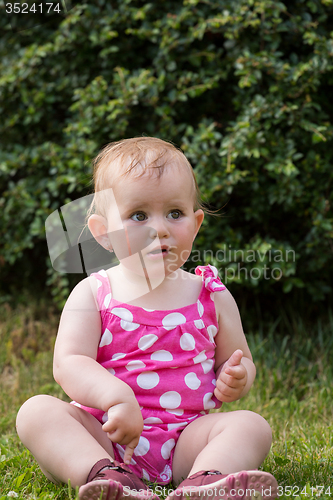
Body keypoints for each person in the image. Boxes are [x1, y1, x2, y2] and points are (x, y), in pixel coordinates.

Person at [16, 137, 278, 500]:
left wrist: (237, 376)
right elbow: (69, 363)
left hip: (188, 437)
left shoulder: (211, 295)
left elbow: (239, 358)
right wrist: (115, 397)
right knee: (37, 412)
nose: (160, 228)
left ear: (196, 222)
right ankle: (105, 477)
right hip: (106, 436)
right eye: (138, 215)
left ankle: (204, 480)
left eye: (175, 213)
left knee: (252, 425)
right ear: (103, 233)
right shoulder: (94, 293)